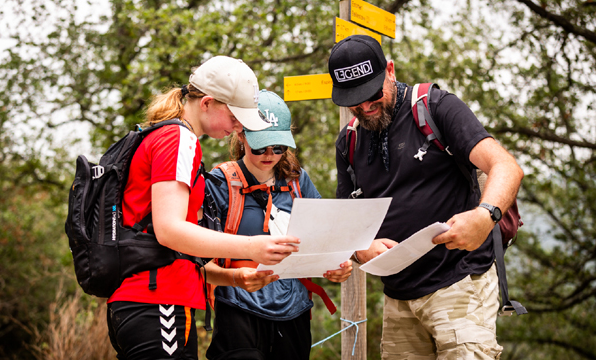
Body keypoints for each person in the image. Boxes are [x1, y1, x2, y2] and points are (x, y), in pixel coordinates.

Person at [329, 35, 523, 359]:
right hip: (398, 298)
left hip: (460, 283)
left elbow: (506, 166)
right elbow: (346, 224)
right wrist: (361, 248)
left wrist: (484, 215)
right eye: (354, 100)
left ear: (390, 70)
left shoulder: (435, 107)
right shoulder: (347, 141)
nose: (365, 107)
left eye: (373, 94)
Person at [106, 56, 301, 360]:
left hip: (152, 300)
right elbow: (169, 231)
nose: (239, 128)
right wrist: (252, 247)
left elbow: (179, 245)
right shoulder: (178, 138)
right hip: (158, 300)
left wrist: (235, 278)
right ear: (207, 102)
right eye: (236, 117)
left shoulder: (169, 135)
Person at [203, 90, 353, 360]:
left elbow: (324, 241)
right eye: (259, 146)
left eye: (278, 147)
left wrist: (336, 266)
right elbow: (198, 264)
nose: (269, 155)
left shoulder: (298, 182)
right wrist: (235, 278)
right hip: (239, 310)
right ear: (241, 135)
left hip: (293, 312)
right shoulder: (220, 183)